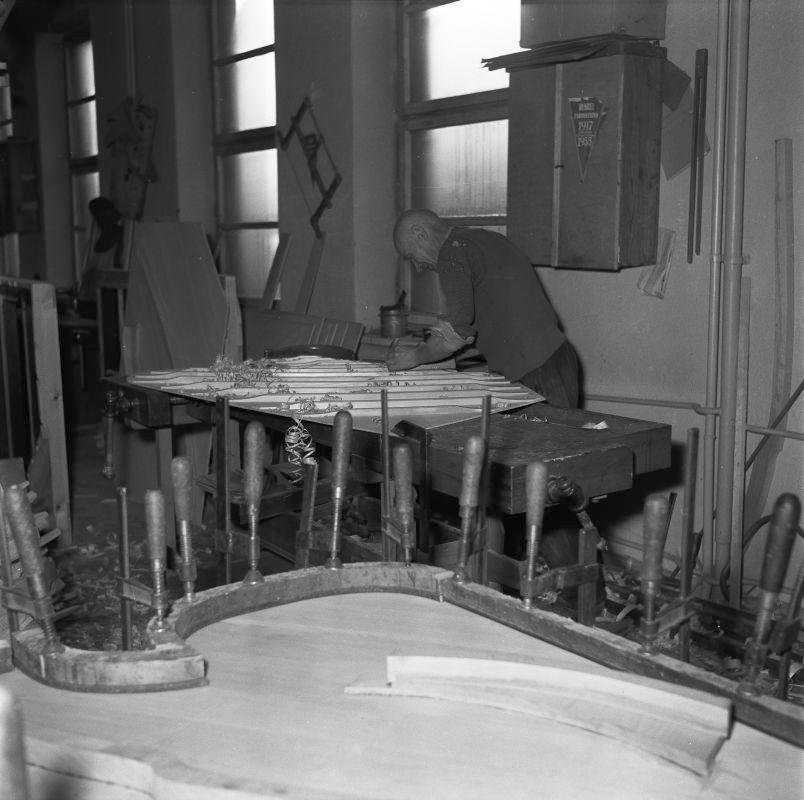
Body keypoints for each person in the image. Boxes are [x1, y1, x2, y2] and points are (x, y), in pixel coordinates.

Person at [387, 209, 580, 407]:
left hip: (536, 373)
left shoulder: (451, 252)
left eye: (411, 257)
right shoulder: (482, 238)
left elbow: (456, 335)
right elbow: (487, 320)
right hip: (558, 359)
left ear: (420, 233)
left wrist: (414, 357)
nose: (418, 267)